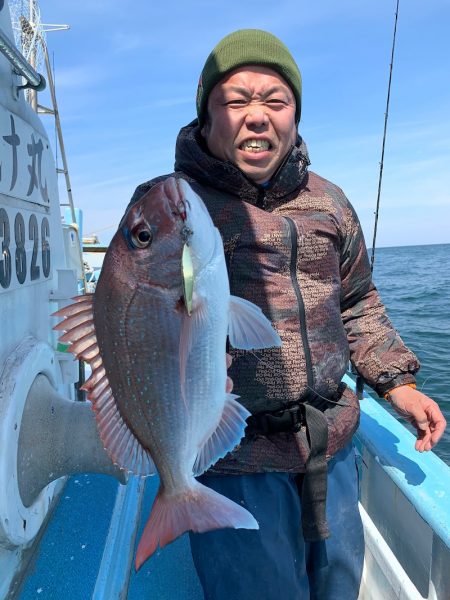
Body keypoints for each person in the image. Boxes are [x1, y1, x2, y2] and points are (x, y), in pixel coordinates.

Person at [128, 29, 446, 599]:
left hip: (331, 448)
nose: (257, 116)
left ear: (295, 115)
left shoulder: (329, 201)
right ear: (206, 116)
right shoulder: (173, 210)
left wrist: (397, 381)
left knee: (338, 587)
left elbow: (358, 299)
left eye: (276, 101)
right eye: (235, 100)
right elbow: (137, 317)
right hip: (235, 460)